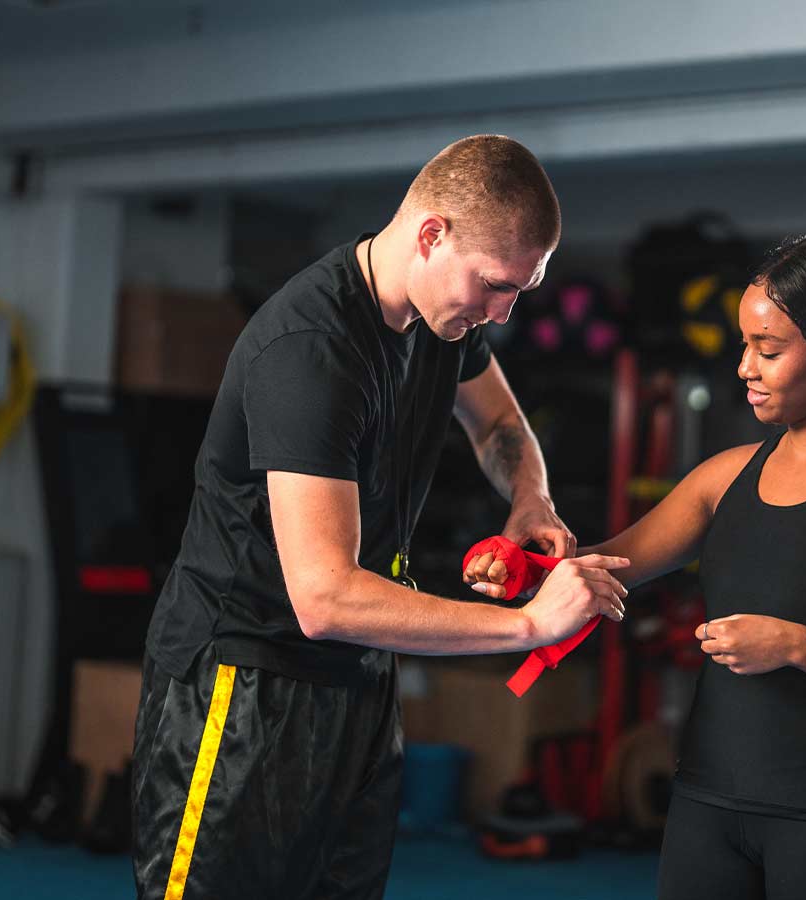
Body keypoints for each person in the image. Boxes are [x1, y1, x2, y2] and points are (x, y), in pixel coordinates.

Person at [131, 134, 629, 900]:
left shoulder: (441, 324)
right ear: (432, 235)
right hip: (245, 681)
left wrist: (532, 499)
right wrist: (530, 625)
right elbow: (325, 597)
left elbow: (499, 428)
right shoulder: (313, 350)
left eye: (520, 294)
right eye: (495, 284)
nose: (501, 312)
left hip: (357, 680)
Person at [468, 234, 806, 899]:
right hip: (706, 814)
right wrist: (517, 568)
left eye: (769, 351)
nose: (745, 367)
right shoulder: (724, 478)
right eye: (745, 345)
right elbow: (606, 569)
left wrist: (801, 647)